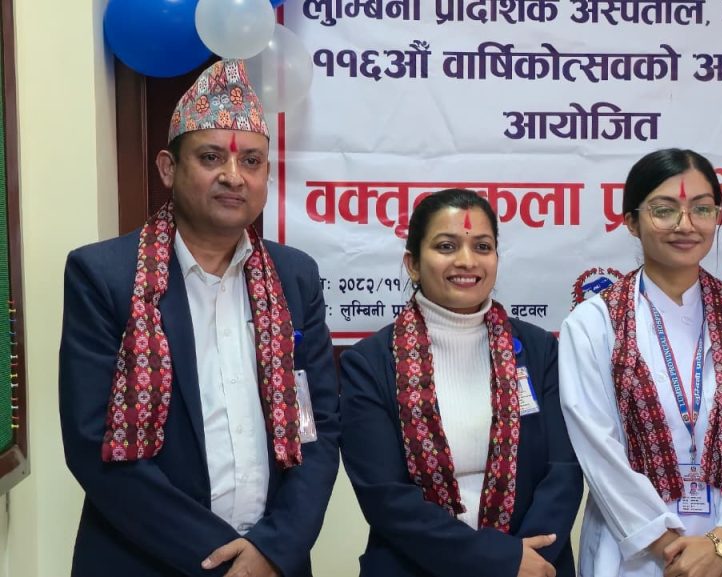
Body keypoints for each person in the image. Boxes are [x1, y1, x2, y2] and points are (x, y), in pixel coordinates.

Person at [59, 60, 340, 577]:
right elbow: (93, 443)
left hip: (273, 562)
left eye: (251, 161)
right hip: (144, 559)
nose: (233, 176)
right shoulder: (105, 276)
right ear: (169, 168)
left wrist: (274, 548)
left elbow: (315, 426)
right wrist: (222, 560)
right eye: (211, 157)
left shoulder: (294, 278)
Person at [559, 149, 722, 577]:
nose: (685, 224)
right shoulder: (593, 324)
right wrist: (668, 548)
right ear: (631, 221)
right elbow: (598, 450)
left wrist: (721, 543)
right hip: (639, 554)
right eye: (664, 210)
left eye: (702, 209)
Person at [337, 188, 583, 577]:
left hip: (536, 565)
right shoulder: (369, 364)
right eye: (446, 246)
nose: (467, 261)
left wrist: (527, 561)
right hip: (414, 566)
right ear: (413, 264)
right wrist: (498, 561)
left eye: (482, 246)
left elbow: (563, 470)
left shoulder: (539, 351)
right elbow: (386, 497)